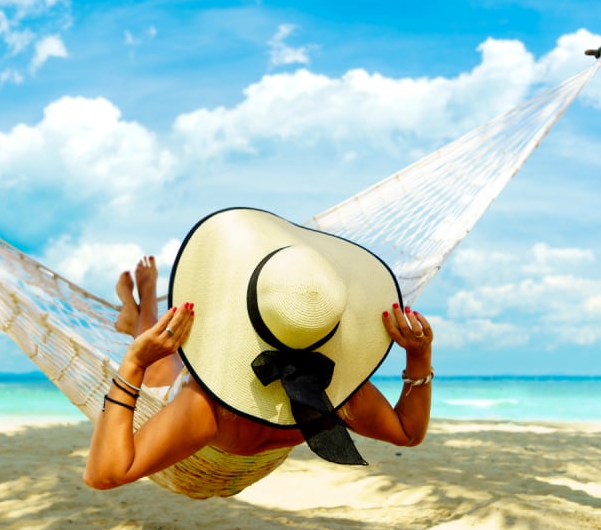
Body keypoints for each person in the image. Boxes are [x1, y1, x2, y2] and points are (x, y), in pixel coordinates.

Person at [85, 208, 434, 491]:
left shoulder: (206, 408)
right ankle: (138, 313)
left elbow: (105, 475)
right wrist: (419, 357)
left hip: (199, 421)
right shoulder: (340, 392)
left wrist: (132, 364)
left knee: (164, 359)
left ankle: (141, 312)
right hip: (245, 426)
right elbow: (408, 432)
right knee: (170, 351)